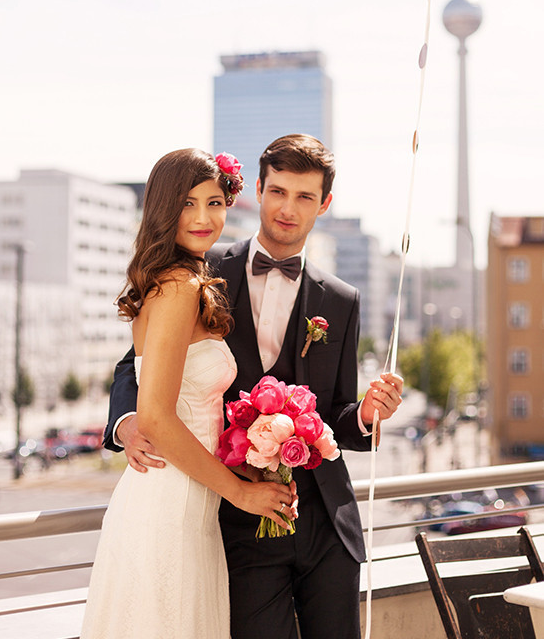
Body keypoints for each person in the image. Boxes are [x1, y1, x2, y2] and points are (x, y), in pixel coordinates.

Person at [105, 134, 403, 639]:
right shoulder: (200, 270)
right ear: (258, 192)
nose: (289, 208)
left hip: (326, 527)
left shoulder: (343, 300)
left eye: (305, 196)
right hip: (235, 520)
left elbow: (336, 412)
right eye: (278, 192)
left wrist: (369, 415)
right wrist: (129, 421)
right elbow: (132, 367)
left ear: (324, 204)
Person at [81, 148, 295, 639]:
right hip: (167, 510)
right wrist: (241, 492)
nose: (203, 217)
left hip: (190, 507)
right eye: (187, 203)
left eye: (215, 202)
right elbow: (155, 417)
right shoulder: (178, 285)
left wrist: (251, 456)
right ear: (162, 208)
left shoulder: (182, 278)